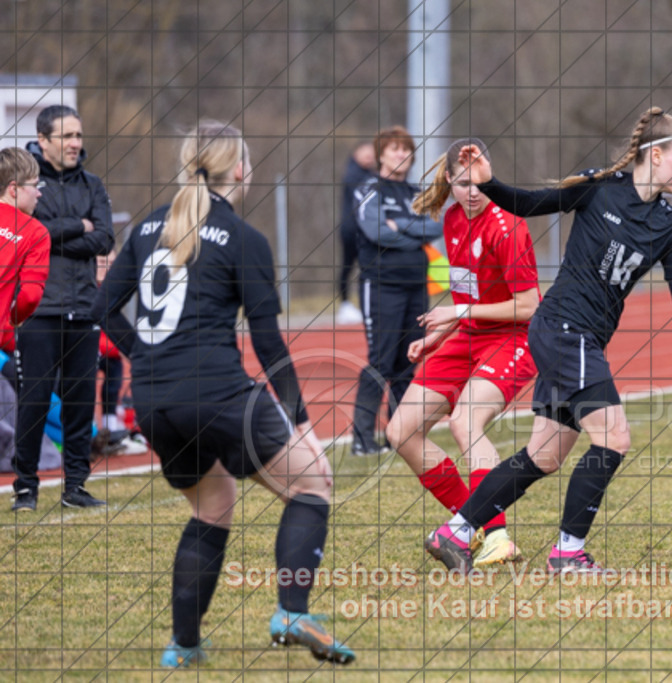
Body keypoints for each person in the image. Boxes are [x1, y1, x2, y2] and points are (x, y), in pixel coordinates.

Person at [425, 107, 672, 573]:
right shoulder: (599, 189)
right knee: (614, 437)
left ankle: (452, 532)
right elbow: (528, 203)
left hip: (581, 339)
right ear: (655, 156)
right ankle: (568, 553)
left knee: (544, 456)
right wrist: (490, 183)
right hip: (562, 328)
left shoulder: (670, 227)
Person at [92, 121, 355, 667]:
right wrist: (301, 419)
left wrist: (141, 354)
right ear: (239, 170)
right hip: (216, 391)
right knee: (313, 485)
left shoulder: (145, 230)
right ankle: (291, 611)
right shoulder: (244, 237)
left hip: (154, 398)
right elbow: (267, 340)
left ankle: (183, 647)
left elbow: (100, 308)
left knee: (212, 506)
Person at [386, 139, 540, 566]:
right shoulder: (453, 218)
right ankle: (464, 523)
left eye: (478, 182)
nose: (471, 192)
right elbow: (468, 294)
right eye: (461, 183)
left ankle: (496, 537)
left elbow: (529, 305)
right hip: (468, 336)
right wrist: (443, 332)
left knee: (464, 420)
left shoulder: (507, 225)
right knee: (401, 432)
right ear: (449, 180)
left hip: (514, 337)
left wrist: (461, 311)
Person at [12, 106, 114, 511]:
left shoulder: (94, 184)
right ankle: (26, 489)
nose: (76, 143)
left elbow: (104, 238)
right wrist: (79, 226)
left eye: (78, 134)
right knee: (34, 402)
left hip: (84, 310)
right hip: (38, 311)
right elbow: (27, 230)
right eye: (66, 135)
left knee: (80, 404)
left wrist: (55, 232)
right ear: (43, 140)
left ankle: (75, 486)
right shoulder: (24, 183)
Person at [350, 126, 444, 456]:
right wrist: (412, 231)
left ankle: (396, 435)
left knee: (408, 361)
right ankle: (361, 440)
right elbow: (376, 231)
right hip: (381, 286)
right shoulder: (368, 189)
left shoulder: (417, 193)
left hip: (416, 287)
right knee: (380, 361)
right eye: (393, 149)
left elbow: (435, 227)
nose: (400, 154)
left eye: (405, 149)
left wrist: (399, 225)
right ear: (380, 154)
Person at [0, 148, 51, 482]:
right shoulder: (34, 232)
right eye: (36, 184)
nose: (40, 192)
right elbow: (31, 296)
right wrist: (12, 318)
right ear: (15, 188)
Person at [335, 141, 375, 325]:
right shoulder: (353, 174)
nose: (369, 156)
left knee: (365, 268)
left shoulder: (369, 175)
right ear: (356, 152)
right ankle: (345, 305)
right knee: (349, 266)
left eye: (372, 154)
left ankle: (364, 304)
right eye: (366, 152)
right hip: (352, 230)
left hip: (365, 231)